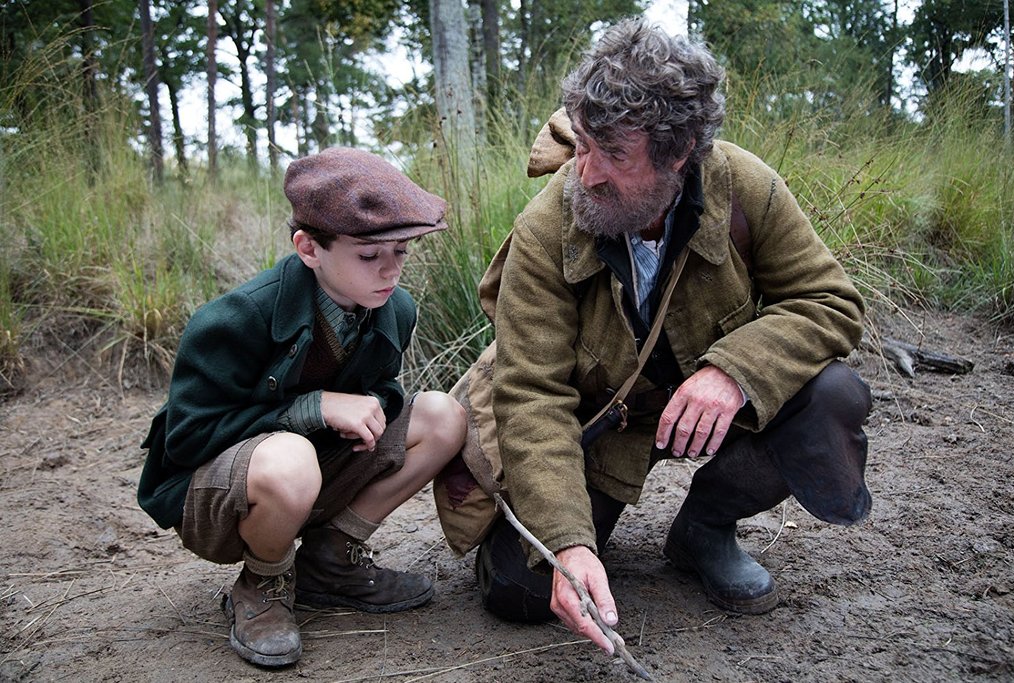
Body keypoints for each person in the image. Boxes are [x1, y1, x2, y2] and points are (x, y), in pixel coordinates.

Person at [474, 17, 873, 654]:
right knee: (520, 593)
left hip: (713, 411)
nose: (587, 174)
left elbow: (829, 302)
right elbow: (531, 394)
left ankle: (705, 527)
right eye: (581, 144)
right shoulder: (546, 226)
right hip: (600, 426)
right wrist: (568, 544)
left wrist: (735, 371)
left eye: (614, 156)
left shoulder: (747, 188)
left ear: (679, 151)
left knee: (832, 395)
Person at [137, 147, 467, 668]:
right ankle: (262, 584)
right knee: (289, 459)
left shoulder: (394, 308)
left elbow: (383, 388)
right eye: (368, 254)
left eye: (401, 251)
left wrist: (368, 406)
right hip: (216, 497)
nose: (390, 270)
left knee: (443, 416)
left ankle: (330, 562)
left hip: (313, 469)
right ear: (308, 248)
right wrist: (312, 407)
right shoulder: (234, 318)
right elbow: (186, 441)